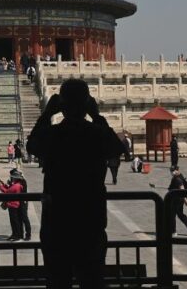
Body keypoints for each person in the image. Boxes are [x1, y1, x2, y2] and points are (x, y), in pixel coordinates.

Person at [27, 79, 126, 288]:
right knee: (92, 279)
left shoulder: (54, 134)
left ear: (61, 105)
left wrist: (47, 114)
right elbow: (116, 147)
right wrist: (97, 115)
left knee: (57, 280)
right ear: (87, 103)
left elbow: (32, 144)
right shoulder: (96, 133)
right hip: (90, 218)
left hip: (57, 220)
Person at [168, 166, 187, 236]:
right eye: (171, 171)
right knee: (180, 214)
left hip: (177, 200)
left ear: (177, 170)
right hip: (178, 199)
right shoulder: (180, 176)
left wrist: (185, 200)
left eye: (173, 170)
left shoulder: (177, 179)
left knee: (172, 215)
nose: (172, 172)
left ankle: (173, 232)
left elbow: (182, 189)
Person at [0, 169, 25, 241]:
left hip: (13, 205)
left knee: (14, 221)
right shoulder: (17, 185)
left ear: (16, 178)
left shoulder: (16, 185)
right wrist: (4, 185)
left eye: (13, 177)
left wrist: (1, 186)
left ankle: (16, 234)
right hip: (13, 205)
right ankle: (14, 234)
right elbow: (9, 189)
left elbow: (7, 191)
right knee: (13, 221)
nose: (12, 178)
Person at [14, 168, 32, 241]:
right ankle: (20, 234)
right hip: (20, 201)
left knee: (24, 218)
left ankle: (28, 234)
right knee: (20, 218)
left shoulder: (22, 182)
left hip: (23, 202)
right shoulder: (19, 181)